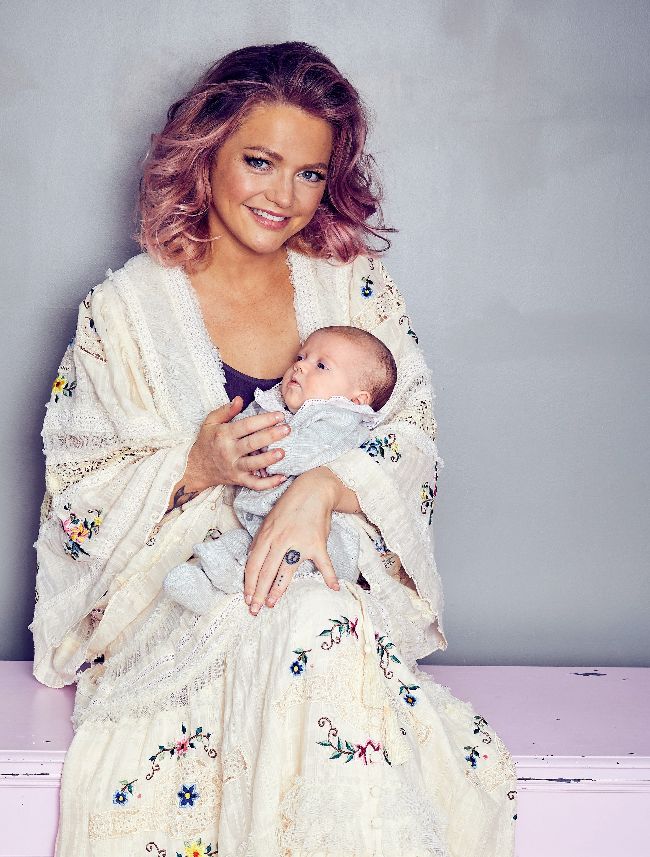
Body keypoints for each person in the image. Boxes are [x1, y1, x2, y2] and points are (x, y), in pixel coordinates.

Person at [31, 42, 517, 856]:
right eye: (259, 161)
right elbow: (80, 496)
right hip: (181, 601)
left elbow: (412, 439)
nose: (283, 196)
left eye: (310, 173)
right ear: (206, 150)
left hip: (324, 586)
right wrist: (197, 466)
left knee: (321, 618)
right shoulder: (123, 312)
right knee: (313, 625)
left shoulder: (353, 285)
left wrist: (318, 488)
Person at [164, 325, 397, 615]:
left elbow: (306, 450)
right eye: (301, 357)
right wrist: (234, 443)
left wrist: (265, 453)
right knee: (237, 550)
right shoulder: (275, 403)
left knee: (286, 568)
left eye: (321, 365)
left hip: (318, 532)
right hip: (260, 521)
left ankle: (225, 599)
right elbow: (240, 432)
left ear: (356, 400)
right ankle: (209, 589)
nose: (300, 366)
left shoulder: (341, 418)